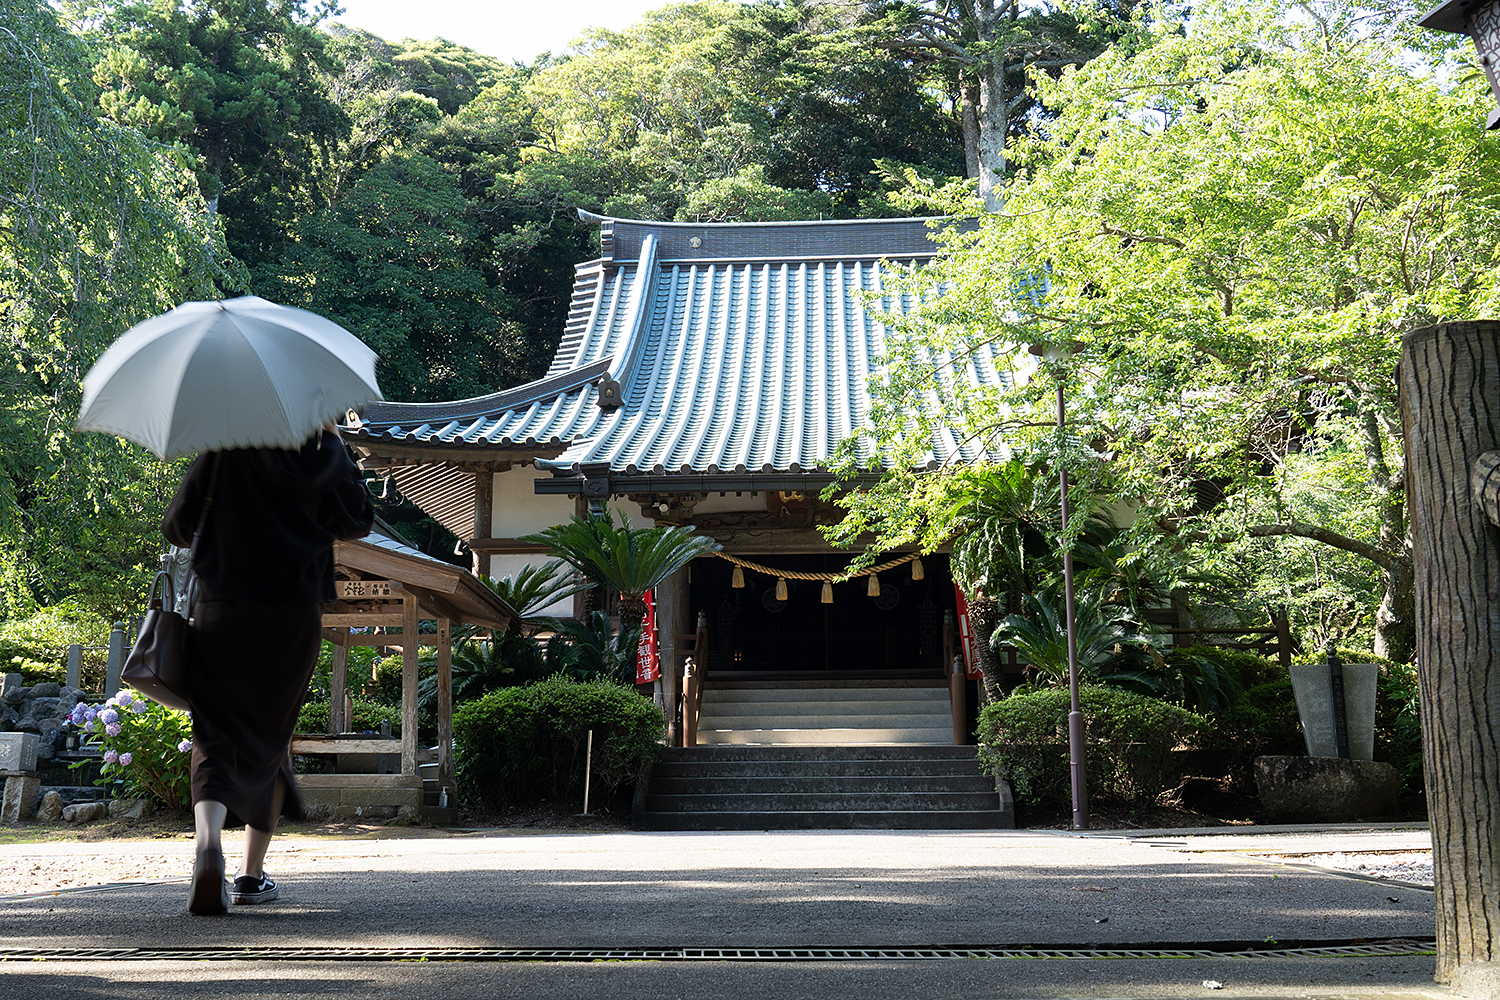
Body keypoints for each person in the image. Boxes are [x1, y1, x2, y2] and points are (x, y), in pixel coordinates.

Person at [164, 425, 373, 915]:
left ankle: (208, 845)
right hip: (292, 614)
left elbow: (176, 524)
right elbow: (358, 519)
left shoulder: (223, 445)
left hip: (223, 606)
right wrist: (337, 450)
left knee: (215, 730)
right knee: (271, 735)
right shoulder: (323, 450)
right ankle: (251, 876)